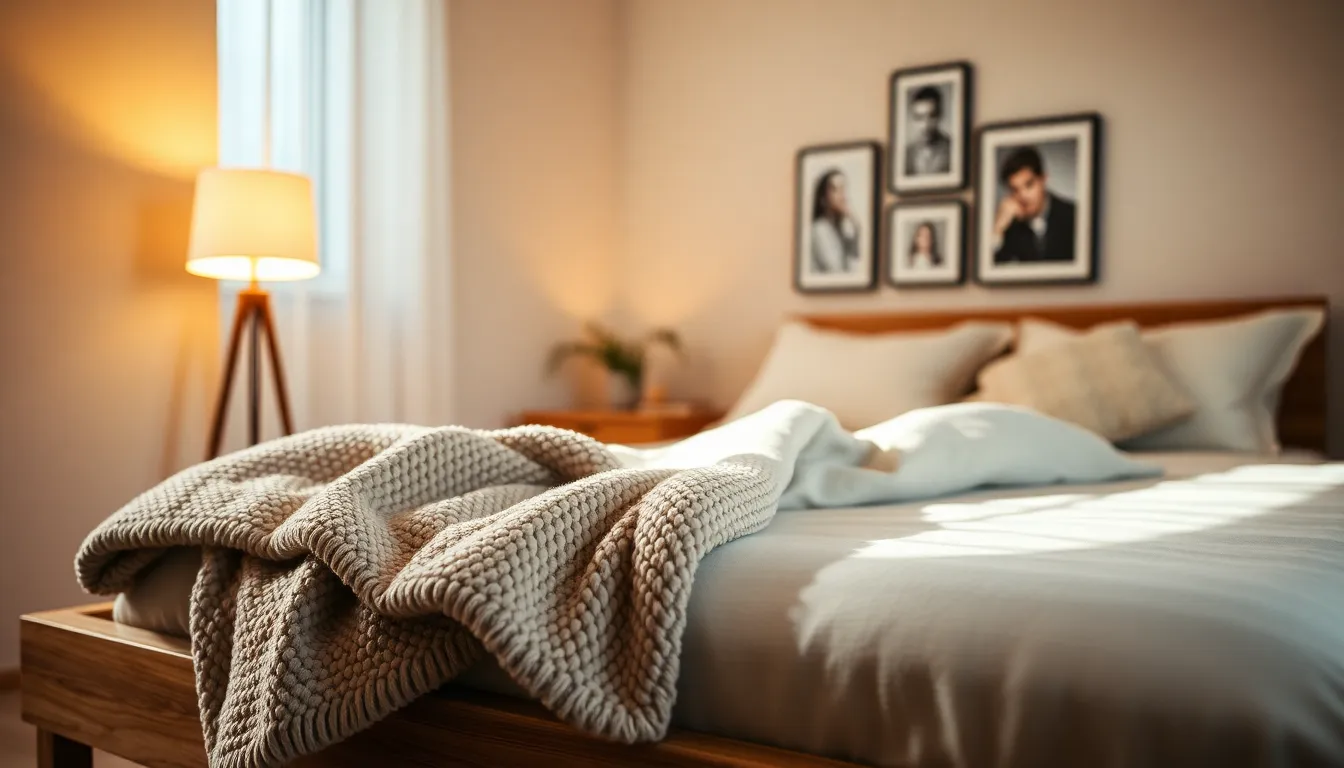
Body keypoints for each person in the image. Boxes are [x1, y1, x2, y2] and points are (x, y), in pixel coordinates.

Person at [992, 146, 1076, 263]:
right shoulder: (1009, 226)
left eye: (1029, 185)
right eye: (1015, 190)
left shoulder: (1073, 215)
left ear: (1043, 179)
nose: (1023, 196)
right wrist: (998, 230)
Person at [809, 169, 860, 273]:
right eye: (836, 190)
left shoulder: (840, 228)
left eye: (843, 189)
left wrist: (855, 226)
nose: (843, 196)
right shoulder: (820, 229)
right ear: (823, 198)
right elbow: (835, 270)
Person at [904, 86, 951, 176]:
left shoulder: (952, 150)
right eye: (919, 118)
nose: (925, 124)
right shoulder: (907, 154)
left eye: (931, 116)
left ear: (940, 116)